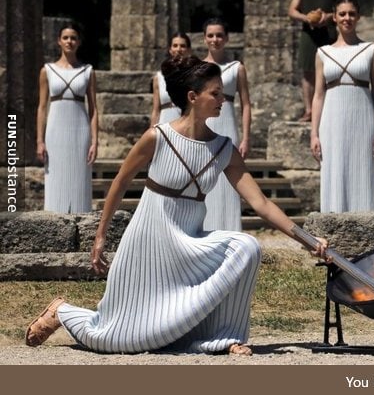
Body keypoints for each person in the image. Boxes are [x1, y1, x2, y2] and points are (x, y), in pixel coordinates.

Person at [24, 55, 326, 356]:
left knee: (247, 247)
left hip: (189, 243)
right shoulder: (158, 136)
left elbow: (261, 203)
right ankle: (62, 311)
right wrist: (100, 237)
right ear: (193, 97)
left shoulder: (224, 148)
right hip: (148, 245)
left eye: (223, 92)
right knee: (116, 339)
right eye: (216, 93)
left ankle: (224, 338)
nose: (223, 99)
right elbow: (119, 183)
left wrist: (307, 240)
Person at [310, 0, 374, 212]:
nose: (347, 18)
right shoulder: (323, 53)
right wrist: (314, 133)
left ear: (358, 17)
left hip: (363, 119)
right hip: (331, 121)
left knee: (363, 173)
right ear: (334, 18)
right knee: (334, 173)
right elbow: (318, 95)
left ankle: (366, 232)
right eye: (342, 14)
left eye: (351, 14)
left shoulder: (371, 50)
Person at [36, 21, 98, 213]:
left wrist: (95, 141)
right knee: (55, 178)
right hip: (55, 132)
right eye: (65, 38)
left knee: (80, 179)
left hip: (80, 131)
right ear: (59, 41)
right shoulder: (47, 70)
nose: (69, 41)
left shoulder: (87, 71)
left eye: (73, 38)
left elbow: (94, 109)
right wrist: (40, 140)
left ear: (79, 42)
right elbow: (42, 107)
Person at [201, 18, 252, 231]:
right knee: (205, 179)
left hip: (228, 126)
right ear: (204, 38)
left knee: (230, 180)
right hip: (204, 128)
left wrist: (246, 137)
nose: (215, 39)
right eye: (211, 35)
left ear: (227, 38)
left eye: (219, 35)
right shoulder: (198, 68)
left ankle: (230, 231)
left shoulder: (236, 68)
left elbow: (247, 104)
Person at [288, 0, 347, 122]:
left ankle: (329, 108)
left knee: (331, 71)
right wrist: (307, 18)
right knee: (308, 72)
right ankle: (309, 110)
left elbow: (346, 8)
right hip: (309, 34)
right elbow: (292, 10)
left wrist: (329, 16)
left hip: (329, 34)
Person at [150, 32, 192, 126]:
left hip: (186, 126)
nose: (178, 49)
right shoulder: (159, 77)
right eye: (175, 46)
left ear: (189, 50)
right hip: (164, 124)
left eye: (182, 46)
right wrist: (152, 130)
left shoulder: (194, 75)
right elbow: (156, 110)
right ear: (170, 49)